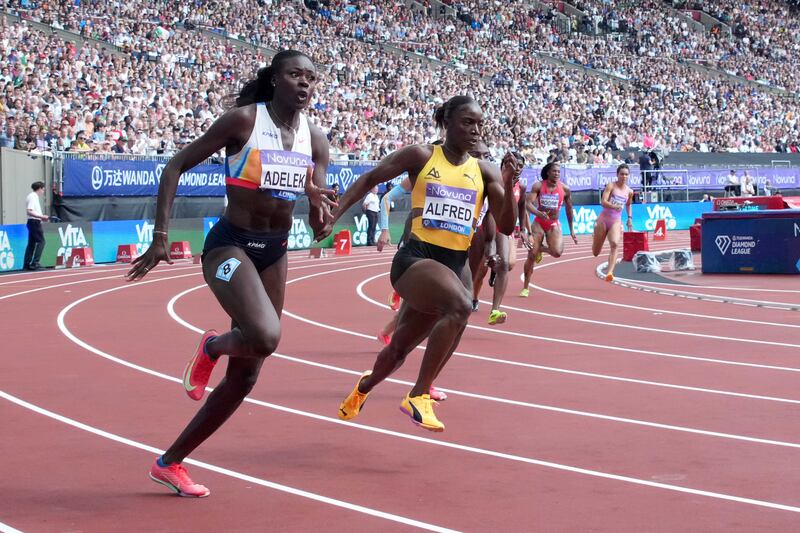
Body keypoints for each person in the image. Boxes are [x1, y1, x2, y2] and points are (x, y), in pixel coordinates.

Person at [125, 50, 335, 498]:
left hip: (275, 251)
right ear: (275, 79)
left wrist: (320, 211)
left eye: (311, 78)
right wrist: (161, 235)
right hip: (230, 245)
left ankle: (170, 462)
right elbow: (174, 165)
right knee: (266, 335)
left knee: (247, 377)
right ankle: (212, 345)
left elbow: (319, 220)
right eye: (296, 75)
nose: (305, 84)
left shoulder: (315, 139)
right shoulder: (242, 122)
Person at [327, 95, 520, 432]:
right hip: (416, 259)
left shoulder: (485, 171)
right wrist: (334, 216)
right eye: (467, 123)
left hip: (454, 263)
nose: (476, 130)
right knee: (461, 306)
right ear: (446, 123)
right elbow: (371, 178)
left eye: (480, 124)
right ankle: (419, 395)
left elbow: (505, 226)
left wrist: (508, 184)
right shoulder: (422, 156)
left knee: (400, 348)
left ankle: (363, 388)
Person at [469, 148, 527, 325]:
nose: (517, 169)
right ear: (504, 166)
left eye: (520, 167)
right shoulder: (493, 181)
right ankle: (470, 298)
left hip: (504, 227)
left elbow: (521, 207)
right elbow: (488, 214)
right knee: (479, 270)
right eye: (513, 165)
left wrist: (523, 230)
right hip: (486, 223)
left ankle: (495, 310)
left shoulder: (521, 187)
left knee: (504, 265)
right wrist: (489, 250)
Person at [520, 162, 578, 297]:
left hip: (553, 223)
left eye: (558, 172)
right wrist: (538, 213)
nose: (557, 174)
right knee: (531, 255)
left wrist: (572, 230)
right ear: (548, 172)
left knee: (557, 252)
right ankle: (526, 287)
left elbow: (569, 210)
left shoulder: (565, 189)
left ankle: (540, 248)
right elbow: (527, 204)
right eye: (554, 171)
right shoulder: (539, 186)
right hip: (539, 222)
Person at [592, 164, 634, 282]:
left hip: (616, 220)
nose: (624, 176)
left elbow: (629, 205)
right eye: (622, 174)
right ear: (617, 174)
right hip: (603, 219)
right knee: (596, 252)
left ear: (628, 176)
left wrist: (629, 218)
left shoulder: (630, 191)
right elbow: (603, 202)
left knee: (615, 244)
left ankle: (610, 272)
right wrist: (614, 206)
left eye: (626, 174)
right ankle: (595, 238)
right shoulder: (611, 186)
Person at [23, 181, 48, 271]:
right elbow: (29, 211)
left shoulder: (32, 196)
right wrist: (41, 216)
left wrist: (41, 217)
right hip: (34, 222)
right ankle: (35, 263)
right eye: (43, 189)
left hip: (32, 222)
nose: (43, 191)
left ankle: (27, 264)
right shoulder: (33, 197)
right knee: (42, 242)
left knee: (31, 244)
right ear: (40, 188)